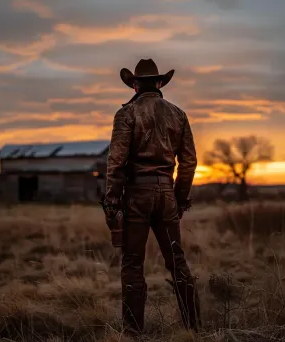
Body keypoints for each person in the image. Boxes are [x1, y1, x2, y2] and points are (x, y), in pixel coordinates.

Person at [102, 58, 201, 335]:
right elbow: (189, 162)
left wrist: (111, 202)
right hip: (167, 195)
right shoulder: (178, 114)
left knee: (133, 263)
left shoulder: (126, 114)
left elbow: (116, 162)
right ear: (159, 84)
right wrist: (180, 200)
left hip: (136, 196)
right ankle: (194, 329)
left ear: (134, 85)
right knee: (177, 260)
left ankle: (133, 334)